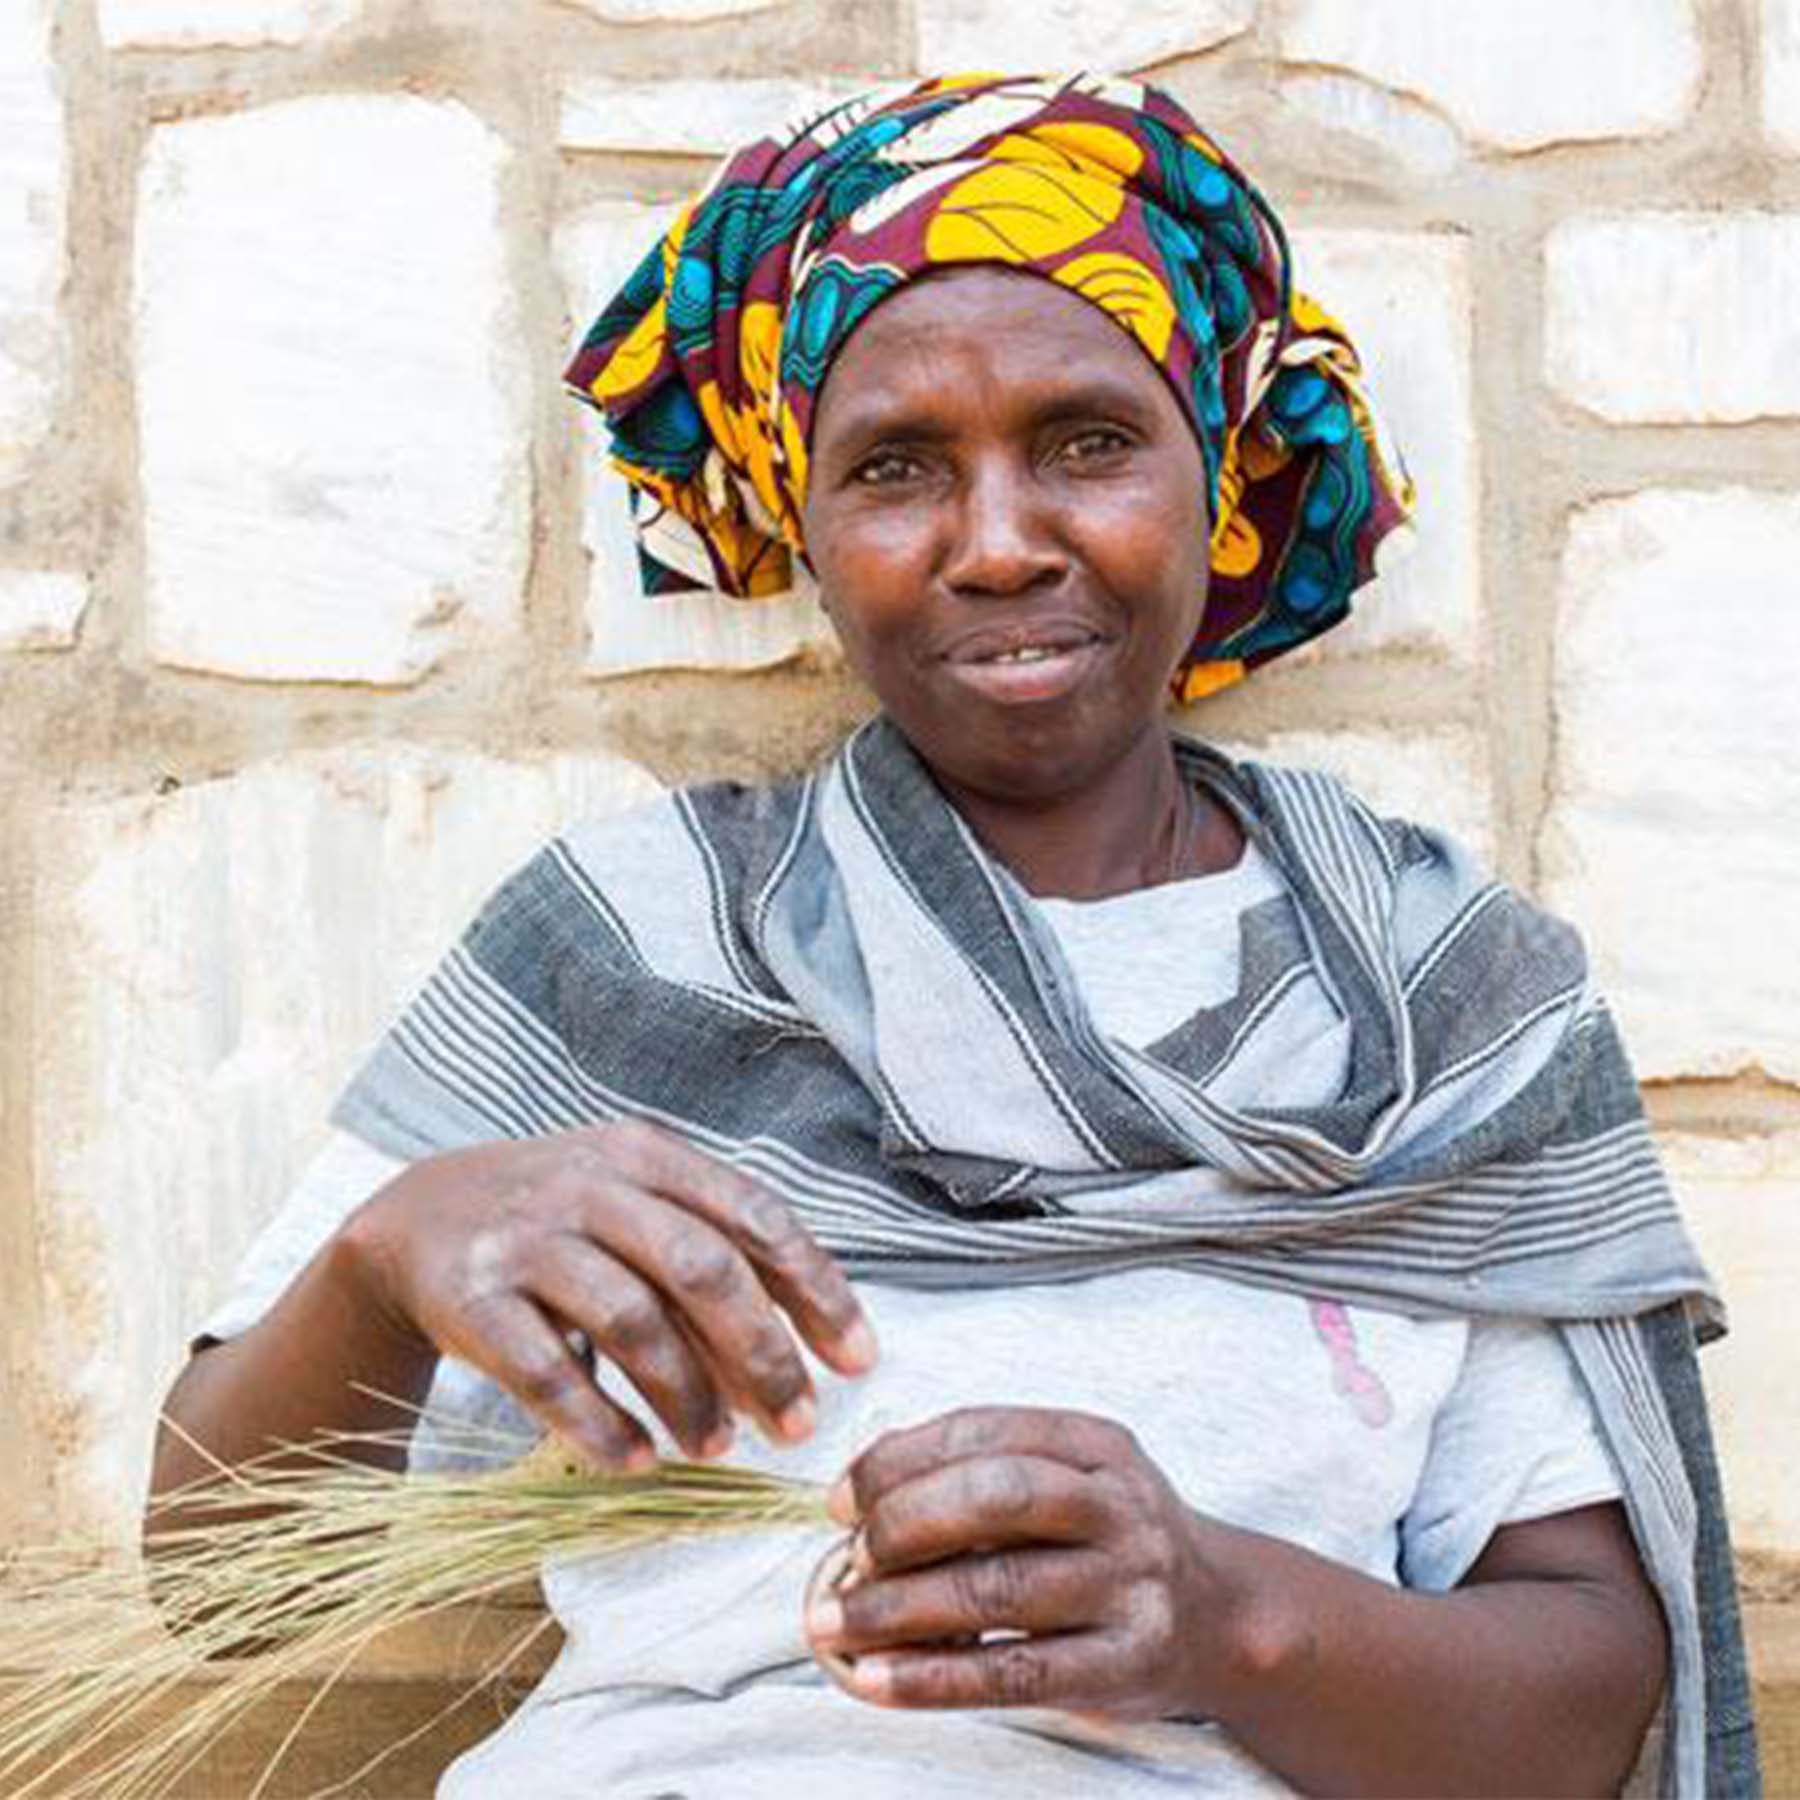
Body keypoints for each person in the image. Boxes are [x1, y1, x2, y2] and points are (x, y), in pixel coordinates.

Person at [146, 74, 1758, 1797]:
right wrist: (387, 1260)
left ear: (1211, 479)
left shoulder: (1443, 1013)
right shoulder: (628, 954)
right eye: (899, 468)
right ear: (809, 525)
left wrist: (1228, 1618)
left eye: (1086, 442)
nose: (1000, 546)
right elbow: (208, 1583)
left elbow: (1587, 1706)